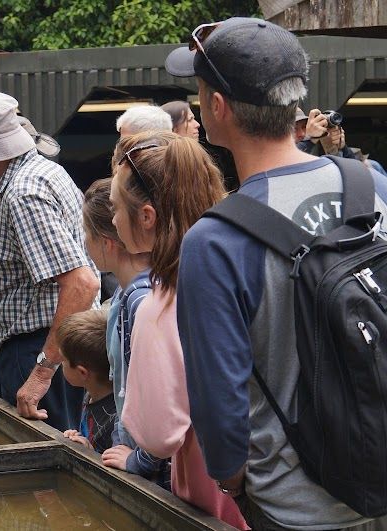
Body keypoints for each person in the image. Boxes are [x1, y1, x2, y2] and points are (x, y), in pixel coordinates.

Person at [166, 17, 387, 529]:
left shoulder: (215, 241)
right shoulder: (371, 184)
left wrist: (232, 480)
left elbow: (219, 403)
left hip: (296, 506)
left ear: (218, 107)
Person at [109, 131, 245, 527]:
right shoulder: (242, 259)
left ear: (146, 216)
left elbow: (158, 433)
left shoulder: (161, 304)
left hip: (218, 486)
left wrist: (134, 458)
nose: (113, 219)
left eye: (116, 208)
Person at [0, 91, 99, 432]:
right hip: (37, 344)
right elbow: (26, 291)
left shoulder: (23, 194)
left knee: (42, 459)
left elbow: (82, 283)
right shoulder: (44, 171)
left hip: (41, 350)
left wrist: (42, 371)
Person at [78, 178, 168, 486]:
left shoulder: (140, 300)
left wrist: (140, 460)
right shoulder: (123, 294)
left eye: (86, 233)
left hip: (151, 469)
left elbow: (162, 396)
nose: (84, 242)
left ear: (107, 243)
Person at [59, 309, 117, 454]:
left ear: (82, 372)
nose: (60, 365)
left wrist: (91, 454)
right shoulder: (92, 393)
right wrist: (78, 437)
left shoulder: (116, 420)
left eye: (63, 360)